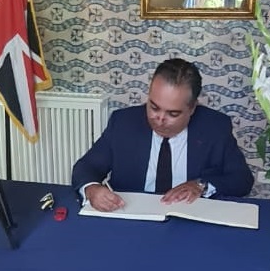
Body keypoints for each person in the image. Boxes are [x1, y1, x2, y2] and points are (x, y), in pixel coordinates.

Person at [71, 58, 254, 212]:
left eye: (172, 114)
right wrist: (92, 189)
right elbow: (86, 166)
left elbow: (242, 180)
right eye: (154, 107)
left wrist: (201, 185)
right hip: (131, 217)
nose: (159, 119)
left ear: (192, 108)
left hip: (191, 221)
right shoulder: (123, 122)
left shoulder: (215, 127)